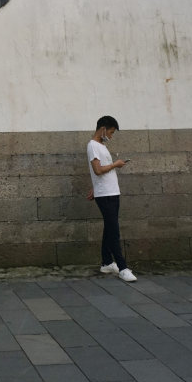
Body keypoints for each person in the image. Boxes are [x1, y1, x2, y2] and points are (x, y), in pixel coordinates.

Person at [86, 115, 137, 282]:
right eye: (111, 132)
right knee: (114, 231)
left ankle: (106, 263)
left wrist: (94, 187)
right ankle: (123, 268)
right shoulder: (93, 145)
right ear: (103, 129)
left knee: (110, 228)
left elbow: (99, 173)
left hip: (111, 192)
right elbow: (98, 170)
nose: (111, 136)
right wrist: (116, 164)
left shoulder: (101, 145)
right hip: (106, 195)